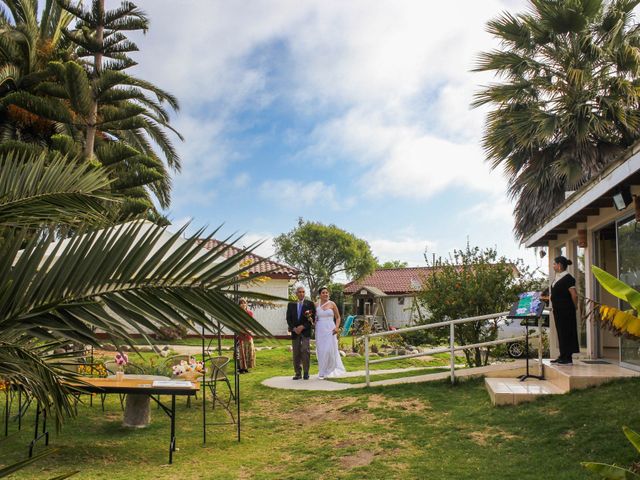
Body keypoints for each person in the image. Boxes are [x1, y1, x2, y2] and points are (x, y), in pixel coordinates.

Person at [550, 255, 579, 365]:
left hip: (566, 310)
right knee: (561, 332)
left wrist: (575, 306)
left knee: (567, 332)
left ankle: (568, 357)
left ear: (560, 265)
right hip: (558, 310)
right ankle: (562, 355)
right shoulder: (557, 277)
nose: (553, 266)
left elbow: (574, 295)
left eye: (554, 264)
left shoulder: (568, 278)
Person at [315, 286, 346, 379]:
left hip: (330, 329)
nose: (325, 294)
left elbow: (338, 317)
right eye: (323, 293)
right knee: (321, 350)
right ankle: (322, 371)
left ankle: (330, 369)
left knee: (329, 350)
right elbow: (314, 317)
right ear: (320, 295)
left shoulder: (332, 304)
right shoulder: (316, 305)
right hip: (320, 329)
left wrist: (337, 327)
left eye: (326, 292)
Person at [286, 285, 315, 380]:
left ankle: (306, 372)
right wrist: (294, 328)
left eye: (303, 292)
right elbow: (288, 318)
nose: (301, 293)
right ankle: (298, 373)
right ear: (296, 294)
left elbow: (312, 318)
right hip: (295, 332)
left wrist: (303, 326)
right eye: (300, 292)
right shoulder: (291, 304)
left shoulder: (309, 304)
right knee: (296, 352)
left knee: (305, 350)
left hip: (305, 332)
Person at [238, 299, 256, 373]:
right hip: (241, 335)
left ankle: (247, 367)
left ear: (246, 304)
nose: (243, 304)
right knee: (242, 352)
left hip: (248, 335)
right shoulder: (237, 314)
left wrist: (250, 330)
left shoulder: (250, 313)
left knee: (249, 351)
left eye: (244, 303)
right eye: (241, 303)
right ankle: (242, 368)